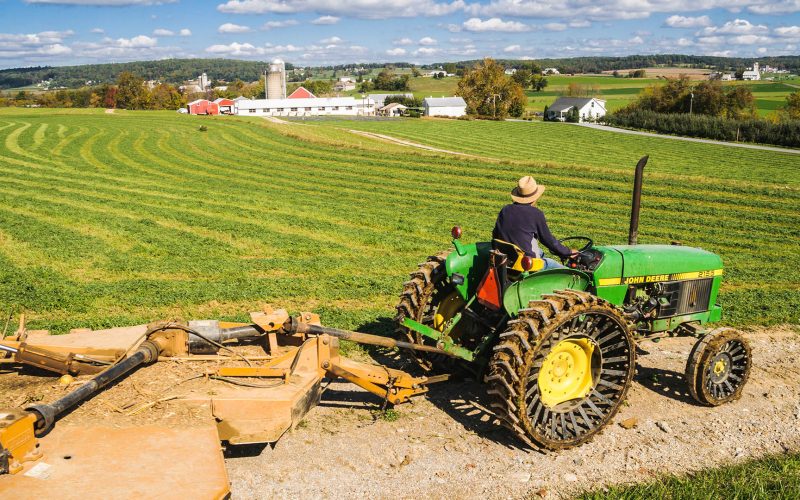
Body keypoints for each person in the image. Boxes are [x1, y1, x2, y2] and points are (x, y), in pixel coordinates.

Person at [492, 176, 577, 270]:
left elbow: (495, 233)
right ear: (535, 198)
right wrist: (568, 252)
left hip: (506, 259)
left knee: (540, 252)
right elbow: (548, 240)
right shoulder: (536, 214)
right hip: (526, 264)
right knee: (558, 268)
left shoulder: (505, 209)